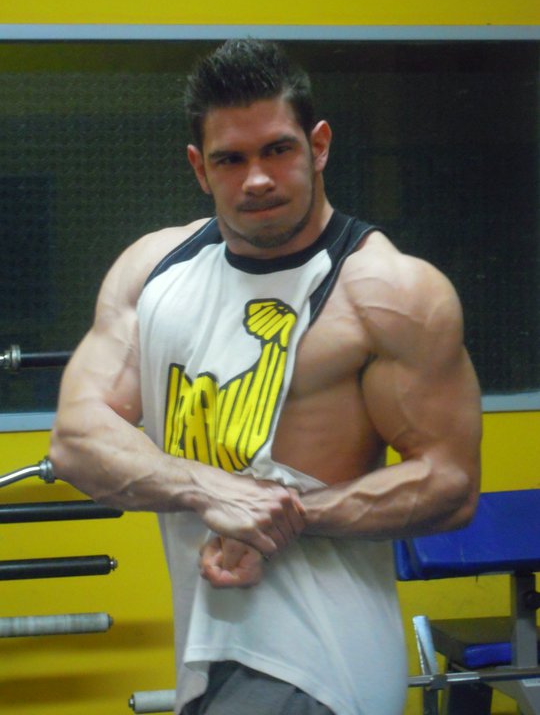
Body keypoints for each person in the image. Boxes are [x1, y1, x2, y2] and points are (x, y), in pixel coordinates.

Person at [49, 39, 482, 715]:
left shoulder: (386, 293)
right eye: (231, 159)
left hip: (319, 661)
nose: (257, 179)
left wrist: (288, 516)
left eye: (277, 150)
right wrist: (210, 489)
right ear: (199, 167)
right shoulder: (154, 272)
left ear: (319, 145)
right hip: (206, 654)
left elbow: (450, 484)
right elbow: (76, 440)